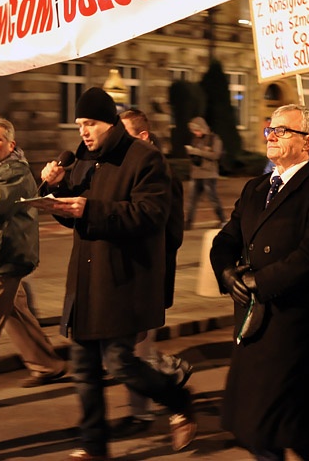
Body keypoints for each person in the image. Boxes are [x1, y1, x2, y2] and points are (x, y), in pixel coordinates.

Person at [40, 88, 197, 460]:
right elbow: (73, 213)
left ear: (110, 122)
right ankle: (94, 447)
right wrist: (55, 188)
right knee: (82, 367)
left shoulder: (145, 159)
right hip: (84, 281)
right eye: (80, 124)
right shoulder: (82, 160)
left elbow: (150, 214)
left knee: (118, 362)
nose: (83, 131)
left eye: (90, 123)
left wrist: (89, 209)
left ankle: (177, 398)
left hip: (123, 279)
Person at [210, 104, 309, 461]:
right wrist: (226, 273)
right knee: (276, 423)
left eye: (282, 130)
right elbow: (226, 239)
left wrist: (259, 282)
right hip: (253, 318)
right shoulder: (256, 188)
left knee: (270, 420)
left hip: (293, 319)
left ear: (308, 142)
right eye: (270, 129)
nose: (271, 135)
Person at [0, 116, 66, 392]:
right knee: (15, 314)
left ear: (11, 144)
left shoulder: (14, 172)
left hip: (5, 260)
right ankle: (47, 364)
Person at [116, 109, 192, 436]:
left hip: (149, 273)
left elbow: (173, 233)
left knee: (137, 349)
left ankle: (147, 410)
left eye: (126, 135)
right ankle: (169, 375)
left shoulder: (162, 174)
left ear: (143, 137)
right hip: (124, 273)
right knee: (131, 349)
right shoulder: (123, 169)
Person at [184, 116, 225, 230]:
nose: (195, 133)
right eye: (193, 131)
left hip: (209, 174)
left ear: (203, 128)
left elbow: (215, 155)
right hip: (196, 174)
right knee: (192, 199)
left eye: (197, 130)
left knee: (213, 198)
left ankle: (222, 220)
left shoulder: (214, 139)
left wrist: (198, 152)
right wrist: (191, 153)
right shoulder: (195, 140)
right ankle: (188, 222)